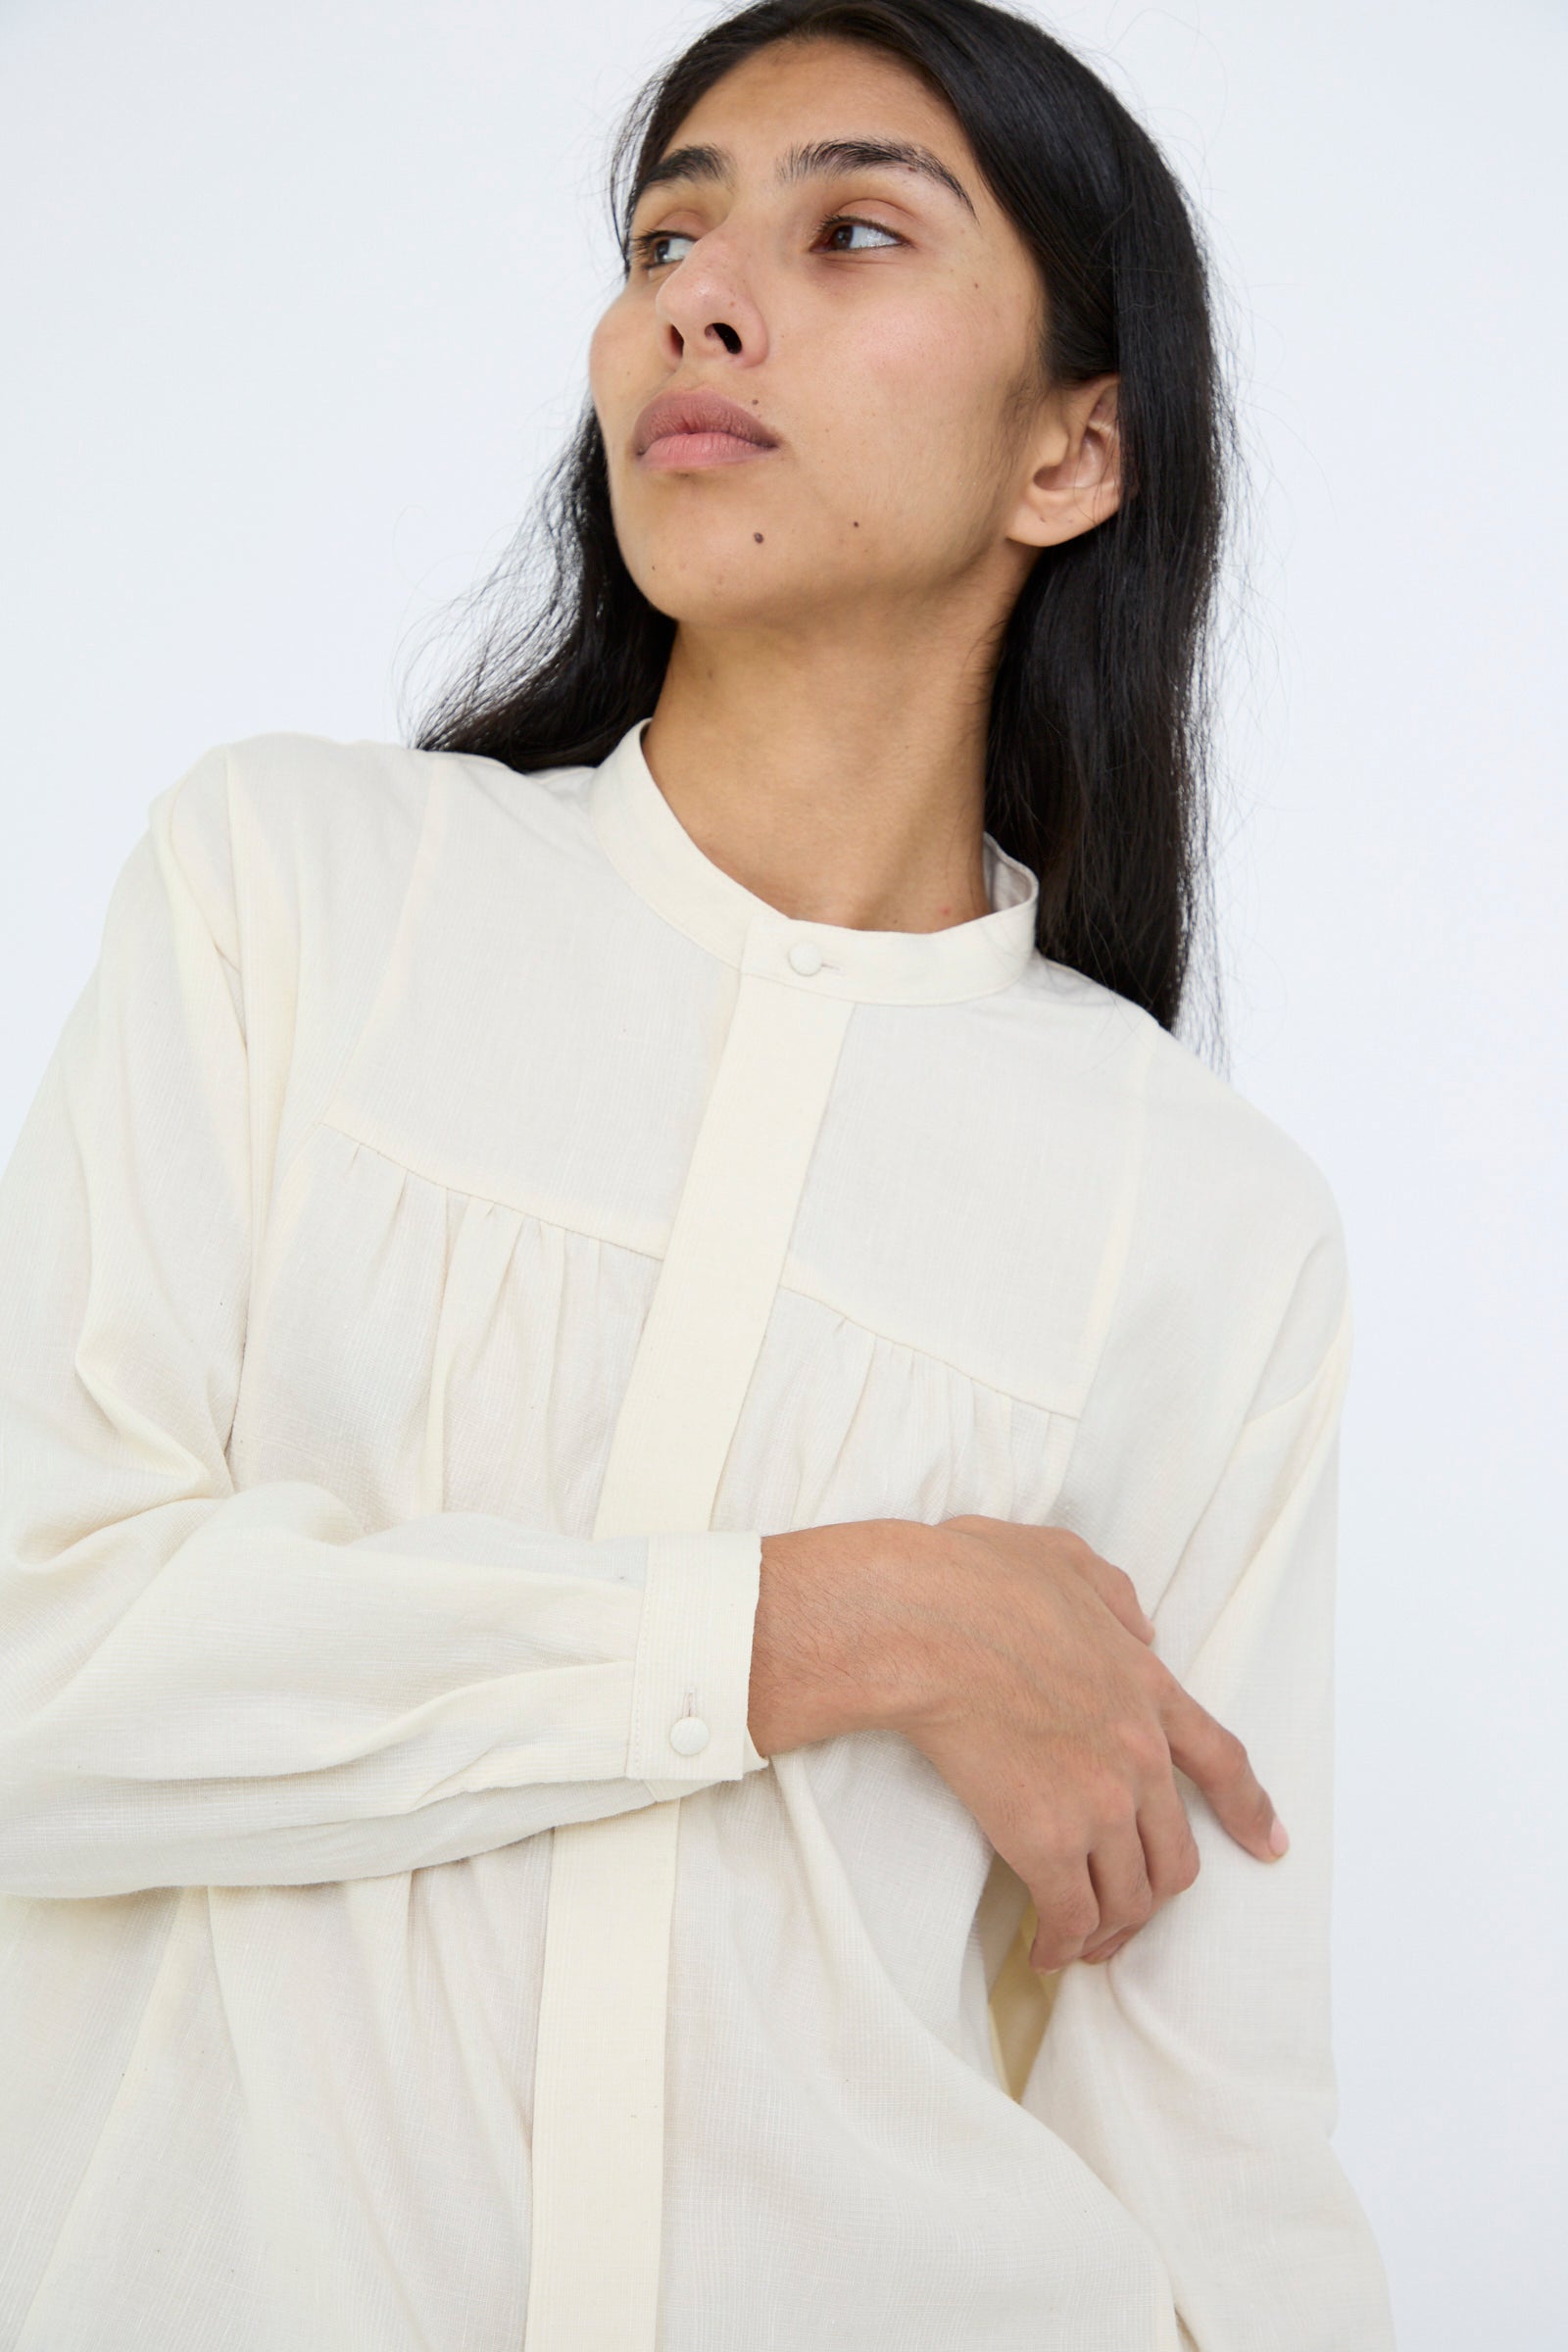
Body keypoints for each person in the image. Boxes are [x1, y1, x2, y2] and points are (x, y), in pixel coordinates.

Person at [0, 1, 1398, 2345]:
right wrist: (819, 1622)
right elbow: (41, 1681)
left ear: (1072, 450)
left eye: (850, 227)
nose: (698, 292)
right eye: (666, 227)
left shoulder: (1209, 1224)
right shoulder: (303, 889)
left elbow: (1205, 2144)